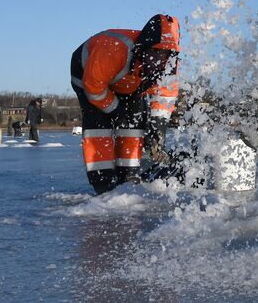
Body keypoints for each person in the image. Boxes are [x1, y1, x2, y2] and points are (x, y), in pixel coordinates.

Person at [70, 14, 181, 195]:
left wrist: (157, 127)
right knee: (99, 126)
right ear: (143, 47)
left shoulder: (169, 65)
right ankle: (103, 181)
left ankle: (128, 175)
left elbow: (165, 96)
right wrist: (117, 110)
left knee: (133, 125)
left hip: (129, 84)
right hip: (88, 76)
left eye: (164, 55)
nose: (158, 60)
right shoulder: (114, 48)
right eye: (154, 53)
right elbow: (94, 88)